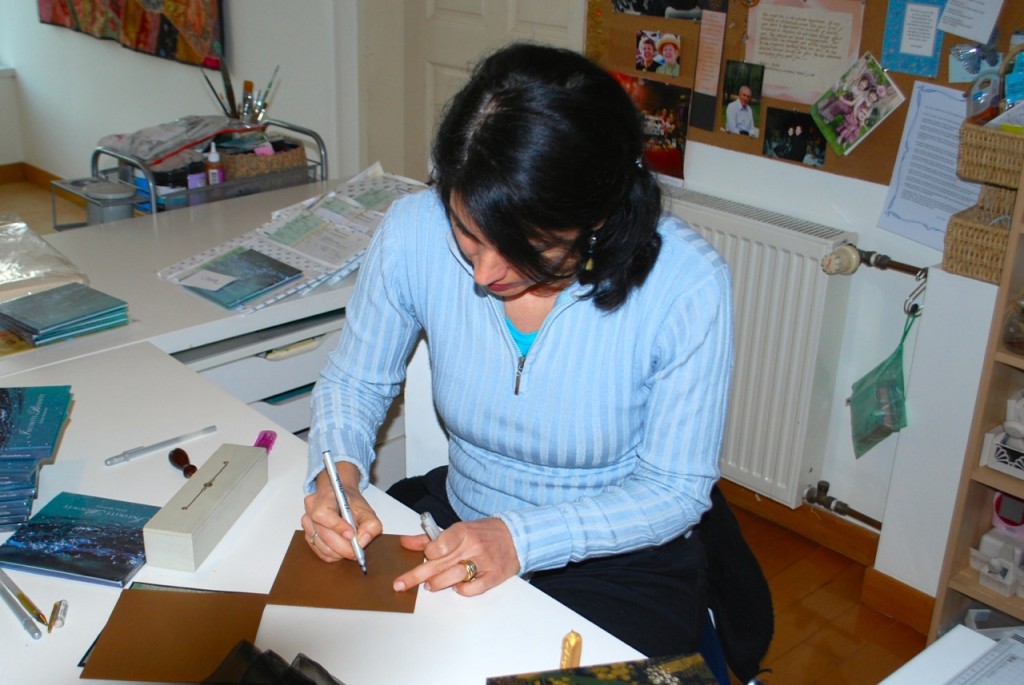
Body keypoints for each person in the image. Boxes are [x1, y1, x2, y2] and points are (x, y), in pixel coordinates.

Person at [300, 42, 733, 658]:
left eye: (526, 247)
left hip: (617, 560)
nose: (483, 275)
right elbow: (355, 383)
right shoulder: (411, 232)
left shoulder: (686, 284)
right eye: (468, 235)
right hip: (457, 520)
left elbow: (676, 490)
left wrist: (519, 539)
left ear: (597, 220)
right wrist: (335, 474)